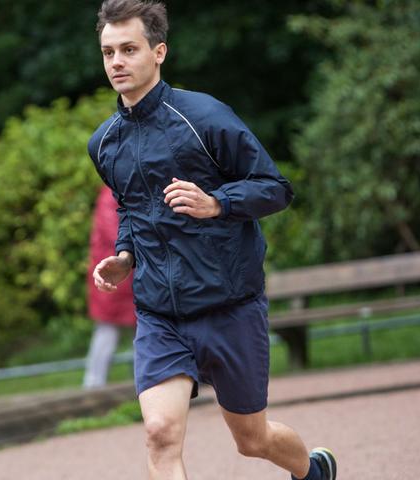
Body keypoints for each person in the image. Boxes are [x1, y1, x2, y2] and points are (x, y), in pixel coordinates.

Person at [87, 1, 337, 479]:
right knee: (159, 433)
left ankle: (312, 469)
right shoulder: (104, 143)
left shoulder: (204, 117)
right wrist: (124, 255)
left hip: (229, 305)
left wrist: (217, 203)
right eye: (108, 52)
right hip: (160, 311)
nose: (116, 62)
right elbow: (130, 206)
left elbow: (275, 188)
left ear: (158, 52)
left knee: (252, 439)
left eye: (129, 49)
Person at [84, 185, 136, 388]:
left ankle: (145, 383)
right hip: (113, 277)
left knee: (142, 332)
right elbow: (116, 235)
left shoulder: (117, 191)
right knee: (107, 330)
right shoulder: (110, 194)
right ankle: (93, 385)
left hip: (127, 277)